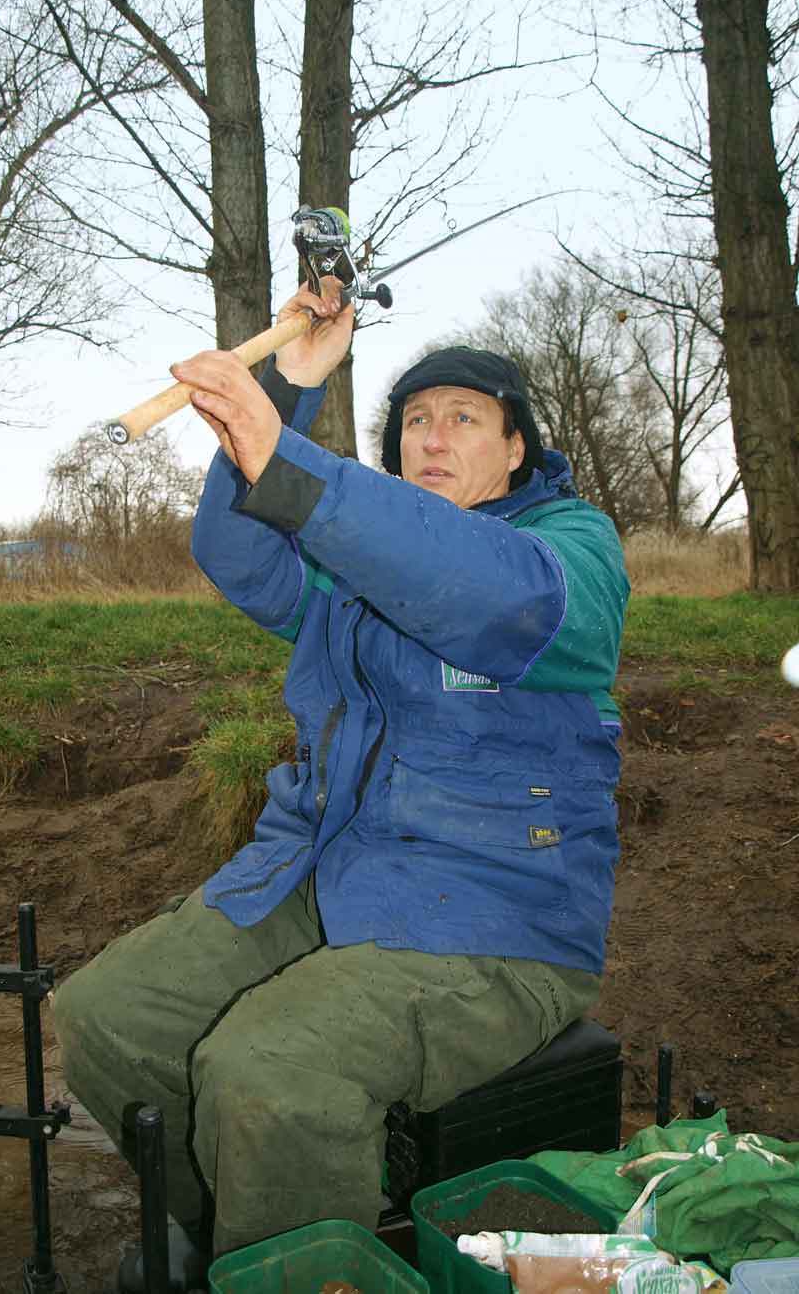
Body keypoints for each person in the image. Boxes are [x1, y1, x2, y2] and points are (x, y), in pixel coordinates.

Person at [51, 278, 629, 1290]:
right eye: (413, 420)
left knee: (272, 1070)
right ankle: (253, 1241)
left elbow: (480, 589)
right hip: (328, 873)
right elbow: (237, 548)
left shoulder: (567, 551)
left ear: (516, 451)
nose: (432, 437)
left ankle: (303, 1258)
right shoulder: (365, 556)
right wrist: (291, 385)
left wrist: (293, 459)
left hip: (499, 919)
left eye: (463, 419)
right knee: (109, 1018)